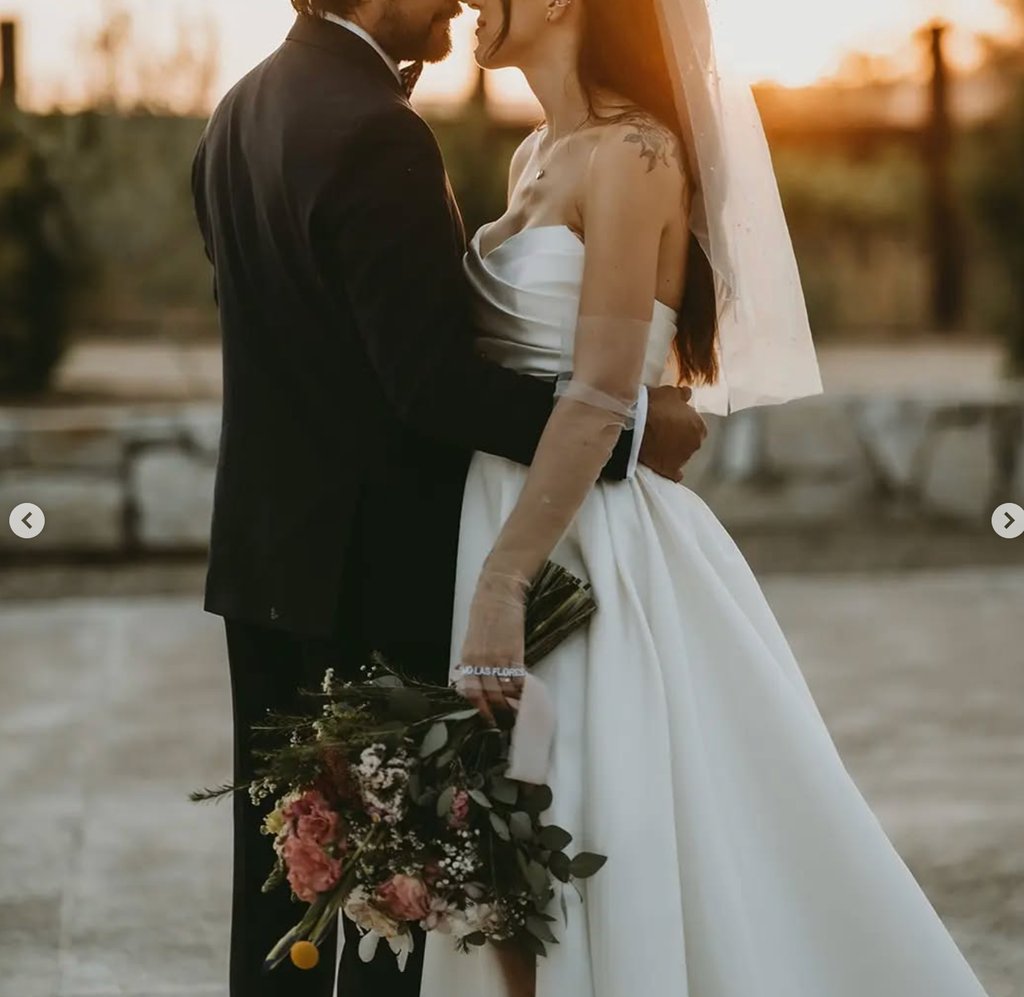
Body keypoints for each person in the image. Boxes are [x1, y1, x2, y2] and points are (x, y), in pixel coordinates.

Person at [421, 0, 995, 995]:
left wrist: (507, 578)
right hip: (499, 516)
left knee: (594, 826)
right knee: (500, 840)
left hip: (584, 546)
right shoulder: (533, 157)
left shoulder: (636, 155)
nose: (469, 2)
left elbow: (601, 392)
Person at [189, 2, 706, 995]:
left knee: (286, 892)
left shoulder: (239, 109)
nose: (459, 0)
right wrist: (634, 431)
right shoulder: (379, 129)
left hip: (262, 563)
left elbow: (290, 340)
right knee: (394, 904)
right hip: (373, 572)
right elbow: (425, 383)